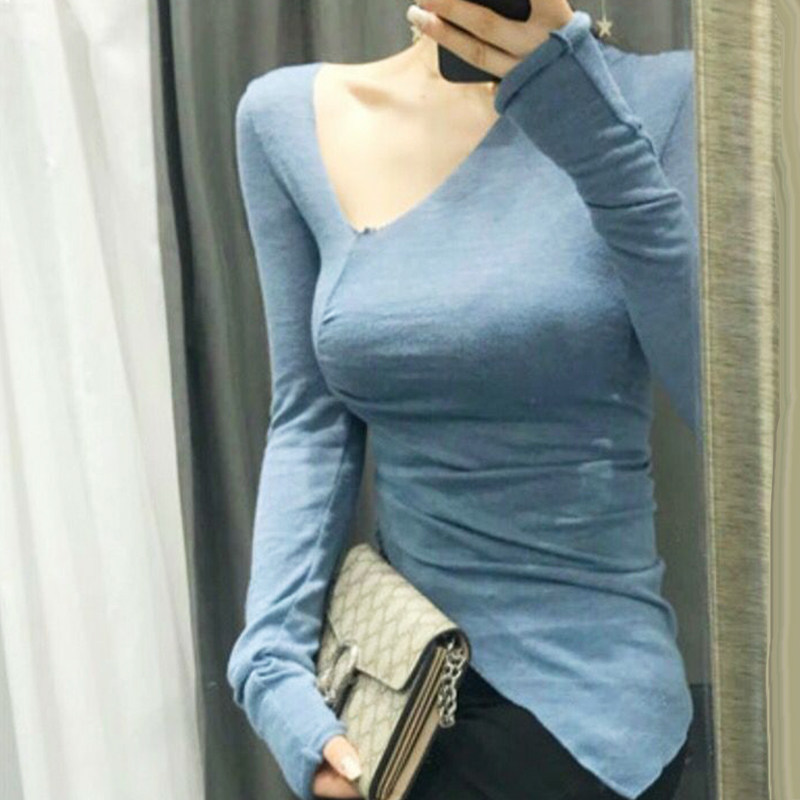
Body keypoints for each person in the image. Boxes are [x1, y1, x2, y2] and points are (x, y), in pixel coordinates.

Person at [226, 1, 701, 799]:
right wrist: (269, 663)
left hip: (594, 717)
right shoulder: (288, 120)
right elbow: (309, 421)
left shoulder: (665, 99)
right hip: (396, 690)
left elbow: (731, 416)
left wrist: (582, 111)